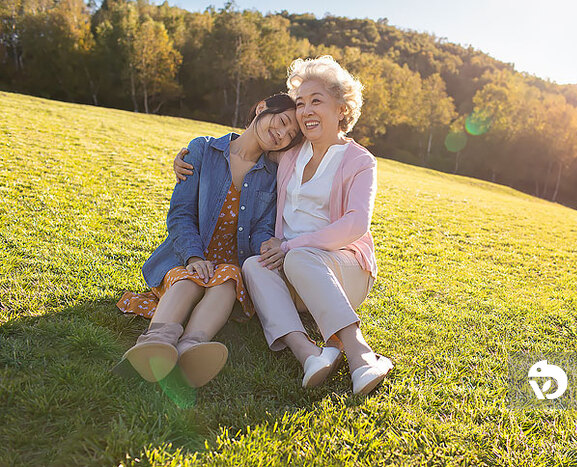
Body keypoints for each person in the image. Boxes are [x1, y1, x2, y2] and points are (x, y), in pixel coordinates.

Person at [174, 56, 392, 395]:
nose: (305, 111)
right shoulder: (290, 153)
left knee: (299, 257)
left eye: (316, 101)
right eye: (301, 103)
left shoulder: (359, 160)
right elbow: (245, 144)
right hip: (290, 271)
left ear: (342, 108)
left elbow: (356, 224)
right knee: (252, 265)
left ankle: (361, 356)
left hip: (342, 271)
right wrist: (191, 154)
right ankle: (309, 355)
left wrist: (290, 246)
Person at [116, 93, 302, 388]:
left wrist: (270, 246)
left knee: (227, 280)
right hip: (186, 256)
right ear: (261, 107)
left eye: (291, 135)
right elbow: (180, 215)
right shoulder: (203, 150)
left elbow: (262, 230)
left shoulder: (271, 175)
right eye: (282, 122)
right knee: (188, 279)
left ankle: (191, 348)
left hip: (229, 266)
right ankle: (154, 342)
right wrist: (193, 256)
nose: (282, 134)